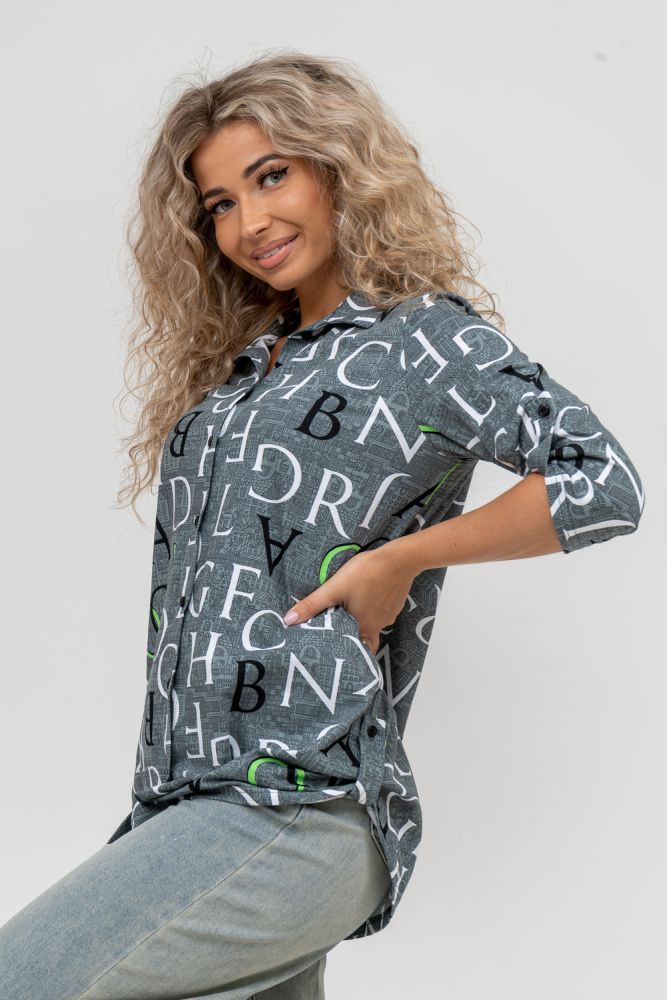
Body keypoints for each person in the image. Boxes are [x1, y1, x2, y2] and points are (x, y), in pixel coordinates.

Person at [0, 49, 645, 1000]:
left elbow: (603, 481)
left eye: (272, 177)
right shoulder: (245, 371)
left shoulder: (423, 339)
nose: (250, 223)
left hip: (298, 798)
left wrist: (401, 558)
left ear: (337, 166)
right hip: (186, 797)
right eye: (220, 203)